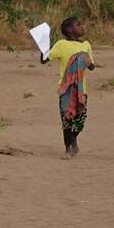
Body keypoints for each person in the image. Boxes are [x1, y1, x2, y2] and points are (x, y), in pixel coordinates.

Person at [42, 16, 97, 158]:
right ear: (69, 29)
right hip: (66, 89)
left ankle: (73, 139)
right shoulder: (61, 45)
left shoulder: (86, 45)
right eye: (79, 25)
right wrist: (43, 46)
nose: (82, 27)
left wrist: (87, 62)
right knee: (67, 119)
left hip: (81, 89)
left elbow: (91, 65)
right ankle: (68, 148)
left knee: (80, 120)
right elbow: (44, 59)